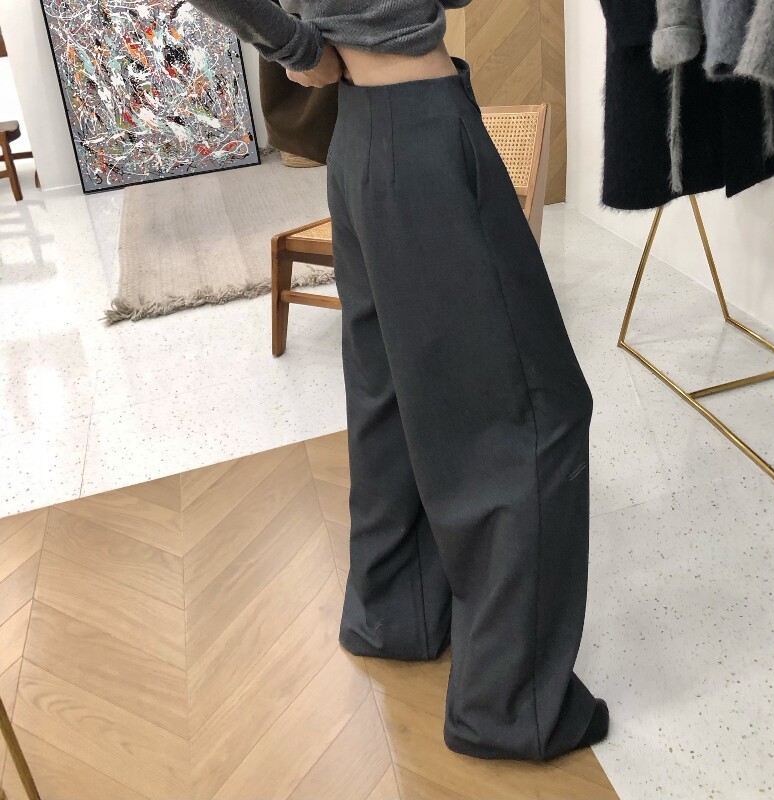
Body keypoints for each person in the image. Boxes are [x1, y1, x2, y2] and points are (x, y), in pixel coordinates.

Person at [188, 0, 609, 762]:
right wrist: (295, 46)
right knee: (539, 414)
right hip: (421, 131)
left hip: (360, 136)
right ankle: (510, 708)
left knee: (389, 390)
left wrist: (300, 42)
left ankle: (396, 610)